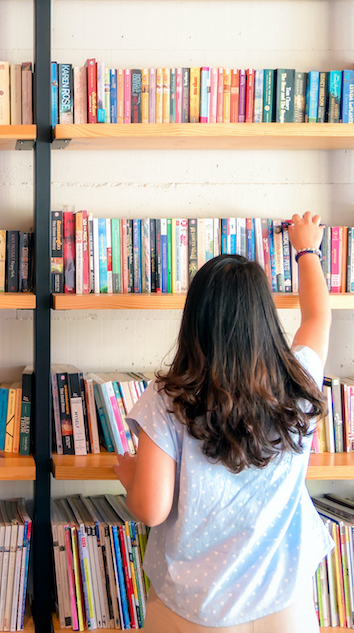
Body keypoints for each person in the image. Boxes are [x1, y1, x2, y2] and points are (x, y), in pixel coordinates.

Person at [114, 212, 332, 633]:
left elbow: (151, 509)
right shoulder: (299, 380)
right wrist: (307, 250)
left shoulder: (168, 399)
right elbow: (317, 318)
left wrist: (130, 475)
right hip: (284, 601)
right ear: (265, 318)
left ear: (195, 321)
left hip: (194, 607)